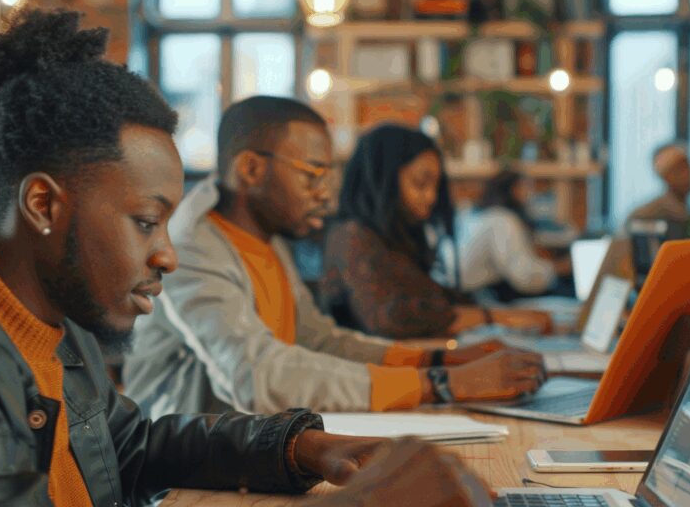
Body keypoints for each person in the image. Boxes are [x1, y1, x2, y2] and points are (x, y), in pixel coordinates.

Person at [0, 9, 496, 507]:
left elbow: (133, 447)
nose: (167, 252)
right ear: (44, 204)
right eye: (146, 221)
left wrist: (299, 448)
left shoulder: (51, 319)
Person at [123, 97, 545, 420]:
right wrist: (441, 383)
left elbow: (318, 340)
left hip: (256, 448)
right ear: (250, 169)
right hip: (180, 484)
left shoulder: (266, 239)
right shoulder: (189, 247)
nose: (324, 193)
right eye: (312, 175)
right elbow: (256, 377)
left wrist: (437, 360)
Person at [318, 124, 554, 339]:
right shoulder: (351, 236)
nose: (431, 197)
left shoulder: (393, 239)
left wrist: (501, 316)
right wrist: (495, 317)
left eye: (436, 186)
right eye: (420, 183)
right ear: (382, 180)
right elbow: (393, 319)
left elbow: (435, 299)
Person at [455, 170, 571, 302]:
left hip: (466, 292)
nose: (530, 193)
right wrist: (559, 268)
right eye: (525, 187)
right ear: (513, 189)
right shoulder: (502, 220)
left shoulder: (473, 213)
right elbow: (523, 277)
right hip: (476, 297)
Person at [624, 143, 690, 237]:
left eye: (688, 166)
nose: (688, 174)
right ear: (665, 176)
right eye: (680, 169)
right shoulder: (644, 216)